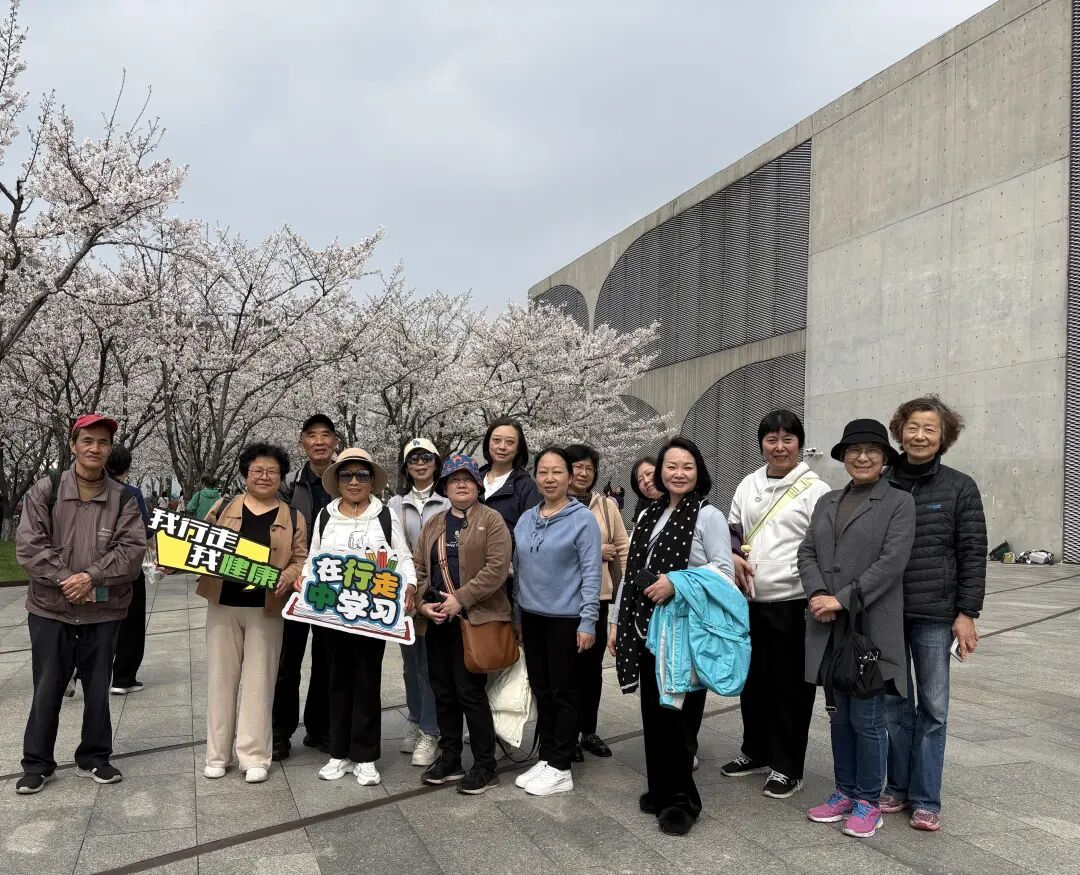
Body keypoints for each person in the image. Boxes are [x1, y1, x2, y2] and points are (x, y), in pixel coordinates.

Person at [608, 436, 735, 836]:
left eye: (687, 467)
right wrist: (615, 620)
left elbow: (724, 573)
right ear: (660, 472)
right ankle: (661, 789)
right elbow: (631, 573)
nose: (679, 474)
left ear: (699, 472)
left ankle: (682, 802)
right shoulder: (649, 513)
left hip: (684, 631)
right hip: (646, 627)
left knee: (678, 717)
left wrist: (676, 582)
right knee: (654, 714)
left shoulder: (708, 516)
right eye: (671, 466)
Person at [15, 413, 146, 794]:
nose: (95, 448)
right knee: (47, 685)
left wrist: (91, 577)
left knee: (98, 686)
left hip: (103, 608)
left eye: (103, 442)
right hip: (50, 607)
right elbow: (29, 544)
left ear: (110, 450)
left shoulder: (124, 497)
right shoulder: (46, 490)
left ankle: (94, 757)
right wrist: (65, 579)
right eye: (87, 441)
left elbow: (131, 550)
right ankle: (37, 763)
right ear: (73, 445)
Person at [800, 419, 915, 839]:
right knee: (839, 717)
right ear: (843, 457)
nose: (862, 457)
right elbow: (807, 551)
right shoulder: (827, 501)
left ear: (885, 459)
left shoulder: (899, 503)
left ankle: (869, 799)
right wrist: (818, 593)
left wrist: (842, 599)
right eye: (854, 450)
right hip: (828, 628)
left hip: (869, 628)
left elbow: (892, 562)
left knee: (867, 718)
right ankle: (844, 791)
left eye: (872, 451)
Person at [882, 396, 986, 832]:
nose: (920, 436)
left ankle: (926, 799)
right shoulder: (884, 482)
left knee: (934, 707)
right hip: (886, 612)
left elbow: (972, 552)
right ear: (900, 431)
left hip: (934, 613)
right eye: (913, 427)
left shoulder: (960, 487)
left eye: (930, 429)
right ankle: (897, 787)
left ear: (944, 437)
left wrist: (967, 612)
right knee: (894, 704)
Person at [721, 411, 831, 799]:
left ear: (800, 443)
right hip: (750, 600)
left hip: (793, 602)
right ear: (761, 444)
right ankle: (755, 751)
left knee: (790, 687)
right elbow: (732, 529)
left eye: (787, 439)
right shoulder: (748, 483)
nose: (779, 447)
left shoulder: (816, 489)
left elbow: (823, 546)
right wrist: (733, 554)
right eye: (771, 439)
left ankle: (787, 767)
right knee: (752, 682)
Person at [306, 448, 416, 787]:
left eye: (362, 476)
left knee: (367, 682)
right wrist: (305, 581)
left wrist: (411, 585)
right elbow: (313, 557)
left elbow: (402, 557)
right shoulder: (325, 515)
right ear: (337, 481)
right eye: (347, 476)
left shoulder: (384, 516)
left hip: (371, 614)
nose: (354, 482)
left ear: (371, 481)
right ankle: (338, 752)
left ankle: (365, 756)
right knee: (337, 682)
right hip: (333, 613)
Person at [200, 443, 307, 784]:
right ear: (245, 474)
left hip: (266, 609)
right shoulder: (224, 507)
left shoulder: (292, 517)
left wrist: (288, 576)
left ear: (281, 477)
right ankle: (217, 754)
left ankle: (255, 755)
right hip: (223, 605)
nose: (264, 476)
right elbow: (199, 545)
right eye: (257, 470)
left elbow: (300, 558)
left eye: (272, 471)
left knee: (260, 682)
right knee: (221, 680)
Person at [413, 453, 511, 794]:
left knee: (470, 692)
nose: (461, 485)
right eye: (454, 480)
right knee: (443, 691)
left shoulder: (492, 520)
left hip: (475, 620)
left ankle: (486, 765)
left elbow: (497, 568)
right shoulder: (434, 524)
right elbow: (419, 568)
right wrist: (423, 604)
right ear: (445, 487)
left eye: (467, 479)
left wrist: (461, 598)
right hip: (439, 620)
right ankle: (451, 758)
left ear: (477, 485)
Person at [512, 447, 601, 797]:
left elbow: (592, 573)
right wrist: (518, 616)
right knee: (542, 690)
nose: (549, 479)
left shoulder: (582, 519)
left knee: (565, 692)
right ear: (536, 477)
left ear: (569, 477)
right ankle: (547, 757)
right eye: (543, 472)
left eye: (557, 472)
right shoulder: (526, 518)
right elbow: (520, 572)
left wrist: (588, 621)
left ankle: (562, 766)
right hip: (533, 618)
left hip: (567, 619)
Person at [272, 414, 338, 760]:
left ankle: (320, 728)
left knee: (327, 660)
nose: (319, 441)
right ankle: (279, 732)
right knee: (287, 660)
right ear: (302, 443)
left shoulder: (346, 479)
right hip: (295, 584)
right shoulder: (289, 485)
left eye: (326, 435)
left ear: (334, 441)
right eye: (312, 435)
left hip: (334, 586)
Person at [565, 443, 629, 761]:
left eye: (589, 468)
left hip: (598, 598)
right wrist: (595, 551)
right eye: (578, 466)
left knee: (592, 670)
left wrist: (626, 590)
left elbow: (622, 547)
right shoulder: (554, 503)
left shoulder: (606, 506)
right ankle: (567, 734)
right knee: (567, 669)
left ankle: (588, 731)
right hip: (563, 601)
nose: (583, 473)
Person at [388, 438, 447, 768]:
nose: (420, 464)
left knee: (429, 666)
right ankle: (415, 717)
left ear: (436, 463)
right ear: (406, 466)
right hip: (404, 595)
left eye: (426, 458)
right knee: (410, 664)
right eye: (413, 459)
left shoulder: (447, 500)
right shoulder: (395, 504)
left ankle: (430, 730)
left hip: (438, 594)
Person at [105, 445, 152, 696]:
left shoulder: (89, 490)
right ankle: (123, 677)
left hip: (91, 569)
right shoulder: (131, 493)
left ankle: (79, 667)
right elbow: (143, 530)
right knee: (130, 622)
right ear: (128, 467)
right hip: (126, 569)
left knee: (95, 621)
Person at [479, 416, 541, 550]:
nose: (502, 447)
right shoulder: (473, 480)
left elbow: (530, 534)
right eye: (496, 440)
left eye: (510, 442)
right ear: (488, 443)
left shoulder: (526, 487)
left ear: (518, 448)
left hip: (507, 560)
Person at [629, 457, 663, 524]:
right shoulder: (644, 515)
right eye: (640, 480)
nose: (646, 480)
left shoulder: (684, 505)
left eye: (649, 473)